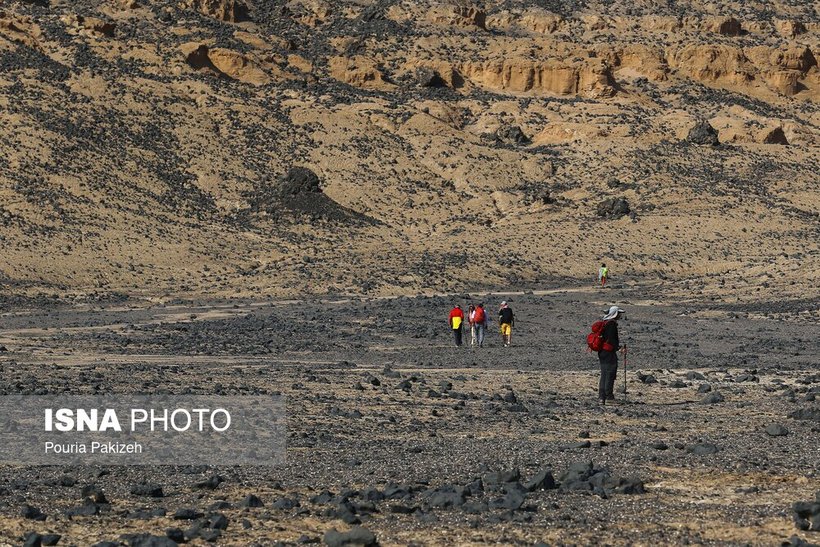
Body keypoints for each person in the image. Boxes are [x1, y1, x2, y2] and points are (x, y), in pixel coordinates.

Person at [598, 305, 625, 405]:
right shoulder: (611, 324)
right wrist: (619, 348)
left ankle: (602, 397)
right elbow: (612, 339)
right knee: (610, 373)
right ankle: (609, 397)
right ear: (615, 314)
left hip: (602, 352)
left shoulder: (605, 322)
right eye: (619, 313)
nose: (620, 316)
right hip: (609, 352)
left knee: (604, 373)